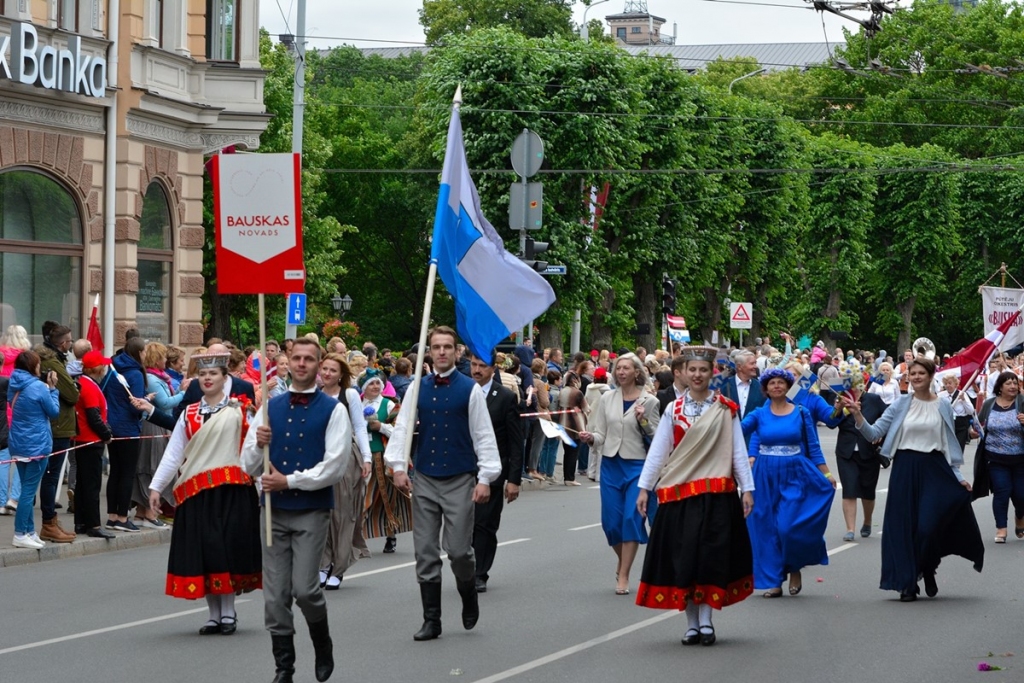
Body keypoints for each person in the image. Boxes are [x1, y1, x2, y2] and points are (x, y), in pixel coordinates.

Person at [241, 338, 352, 683]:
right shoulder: (269, 407)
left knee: (305, 589)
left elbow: (335, 466)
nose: (302, 363)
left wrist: (289, 481)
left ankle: (322, 643)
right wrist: (258, 445)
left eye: (309, 359)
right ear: (288, 362)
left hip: (311, 509)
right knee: (275, 597)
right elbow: (248, 464)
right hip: (272, 511)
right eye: (297, 358)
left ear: (319, 366)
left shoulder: (334, 410)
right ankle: (284, 668)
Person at [384, 326, 501, 641]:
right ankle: (431, 620)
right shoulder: (417, 387)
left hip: (460, 478)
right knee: (425, 551)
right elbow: (403, 426)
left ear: (456, 351)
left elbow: (483, 434)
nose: (441, 352)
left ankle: (468, 592)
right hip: (424, 478)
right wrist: (398, 466)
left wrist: (486, 477)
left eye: (447, 346)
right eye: (436, 347)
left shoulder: (469, 389)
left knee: (460, 551)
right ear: (429, 352)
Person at [635, 346, 754, 646]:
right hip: (680, 494)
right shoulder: (673, 410)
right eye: (693, 370)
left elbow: (737, 450)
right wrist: (644, 488)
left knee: (711, 558)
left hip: (717, 494)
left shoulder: (725, 409)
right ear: (683, 373)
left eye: (703, 370)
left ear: (712, 373)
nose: (698, 375)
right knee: (684, 558)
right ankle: (691, 624)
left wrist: (747, 488)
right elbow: (659, 451)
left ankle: (706, 620)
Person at [845, 357, 984, 602]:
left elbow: (948, 443)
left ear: (931, 377)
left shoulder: (943, 405)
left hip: (935, 468)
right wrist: (858, 416)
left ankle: (927, 566)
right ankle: (907, 583)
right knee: (903, 527)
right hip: (905, 468)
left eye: (921, 373)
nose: (916, 377)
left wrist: (958, 476)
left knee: (928, 526)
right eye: (913, 373)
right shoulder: (901, 404)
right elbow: (874, 433)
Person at [147, 352, 262, 634]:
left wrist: (262, 483)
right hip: (196, 492)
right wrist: (156, 487)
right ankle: (213, 615)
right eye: (202, 374)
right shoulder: (189, 414)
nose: (207, 378)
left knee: (227, 548)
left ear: (225, 378)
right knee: (205, 550)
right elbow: (174, 453)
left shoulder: (240, 410)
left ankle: (229, 612)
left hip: (232, 490)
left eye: (213, 374)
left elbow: (253, 451)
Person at [742, 368, 836, 598]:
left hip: (794, 474)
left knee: (788, 527)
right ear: (766, 389)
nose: (776, 386)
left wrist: (826, 474)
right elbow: (740, 431)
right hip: (764, 476)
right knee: (767, 529)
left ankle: (794, 567)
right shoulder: (759, 414)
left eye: (781, 382)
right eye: (772, 383)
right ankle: (774, 581)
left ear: (788, 387)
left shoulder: (801, 412)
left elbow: (813, 447)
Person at [578, 353, 661, 596]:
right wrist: (590, 438)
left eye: (626, 368)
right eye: (618, 368)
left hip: (638, 466)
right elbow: (600, 434)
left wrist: (643, 421)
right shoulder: (607, 398)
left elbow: (657, 437)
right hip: (611, 465)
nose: (621, 372)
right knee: (611, 524)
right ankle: (622, 560)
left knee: (631, 519)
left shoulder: (650, 400)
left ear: (637, 372)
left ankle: (623, 574)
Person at [468, 349, 523, 593]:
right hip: (463, 471)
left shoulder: (505, 397)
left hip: (493, 472)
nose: (477, 370)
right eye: (473, 364)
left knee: (484, 525)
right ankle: (466, 566)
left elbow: (515, 441)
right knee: (463, 525)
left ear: (493, 368)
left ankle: (479, 573)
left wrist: (514, 479)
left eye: (482, 365)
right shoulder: (463, 392)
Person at [317, 355, 373, 590]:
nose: (328, 373)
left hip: (345, 456)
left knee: (343, 512)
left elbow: (359, 426)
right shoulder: (315, 395)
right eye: (325, 369)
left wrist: (367, 457)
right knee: (322, 512)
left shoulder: (348, 395)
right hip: (319, 457)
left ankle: (339, 566)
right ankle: (323, 563)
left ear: (341, 375)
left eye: (333, 370)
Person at [822, 382, 887, 542]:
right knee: (849, 489)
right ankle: (850, 529)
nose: (852, 388)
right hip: (846, 452)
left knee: (868, 491)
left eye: (855, 384)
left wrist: (880, 434)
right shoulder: (840, 399)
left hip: (869, 451)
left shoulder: (873, 399)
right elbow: (830, 423)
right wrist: (838, 409)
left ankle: (867, 521)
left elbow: (888, 419)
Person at [8, 350, 60, 549]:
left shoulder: (14, 384)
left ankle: (29, 531)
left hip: (19, 442)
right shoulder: (38, 387)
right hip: (36, 445)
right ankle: (20, 533)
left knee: (26, 489)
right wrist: (53, 389)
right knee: (28, 493)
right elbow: (54, 412)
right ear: (33, 366)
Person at [36, 323, 79, 544]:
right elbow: (72, 394)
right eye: (69, 341)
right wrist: (74, 385)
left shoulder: (53, 360)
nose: (71, 345)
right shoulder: (52, 362)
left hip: (57, 425)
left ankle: (51, 521)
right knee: (51, 476)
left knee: (50, 476)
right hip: (58, 426)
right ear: (62, 343)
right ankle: (48, 524)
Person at [359, 367, 409, 556]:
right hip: (362, 458)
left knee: (387, 497)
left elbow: (400, 431)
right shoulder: (357, 405)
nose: (375, 386)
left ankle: (391, 535)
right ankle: (359, 540)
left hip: (383, 456)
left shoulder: (388, 404)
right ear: (364, 387)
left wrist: (381, 426)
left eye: (377, 383)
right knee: (362, 498)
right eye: (371, 383)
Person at [974, 371, 1024, 544]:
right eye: (1008, 383)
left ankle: (1020, 516)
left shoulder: (1022, 402)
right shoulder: (989, 404)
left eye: (1015, 383)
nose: (1013, 386)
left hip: (1020, 459)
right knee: (1002, 491)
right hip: (995, 458)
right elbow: (978, 424)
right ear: (1000, 387)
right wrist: (974, 432)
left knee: (1021, 495)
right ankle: (1001, 528)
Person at [72, 352, 116, 539]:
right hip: (91, 440)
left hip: (84, 439)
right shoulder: (89, 386)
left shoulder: (84, 383)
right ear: (96, 369)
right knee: (92, 485)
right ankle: (94, 524)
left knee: (83, 484)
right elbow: (94, 417)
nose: (105, 368)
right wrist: (106, 435)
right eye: (102, 366)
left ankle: (81, 522)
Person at [174, 342, 256, 421]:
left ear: (227, 361)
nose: (212, 361)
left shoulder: (245, 387)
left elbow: (250, 419)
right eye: (209, 358)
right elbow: (180, 416)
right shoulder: (195, 385)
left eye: (217, 358)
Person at [555, 370, 587, 485]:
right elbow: (586, 408)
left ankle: (566, 476)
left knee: (567, 451)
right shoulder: (577, 393)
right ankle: (570, 478)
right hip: (575, 424)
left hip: (563, 423)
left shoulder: (562, 391)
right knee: (574, 452)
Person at [720, 350, 766, 423]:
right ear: (739, 367)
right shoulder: (724, 386)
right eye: (752, 363)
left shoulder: (761, 387)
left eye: (755, 363)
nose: (756, 366)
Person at [938, 373, 976, 453]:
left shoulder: (962, 394)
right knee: (947, 448)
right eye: (946, 383)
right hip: (947, 423)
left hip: (960, 424)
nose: (948, 385)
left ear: (955, 384)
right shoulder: (940, 395)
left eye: (950, 383)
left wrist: (964, 400)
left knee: (958, 448)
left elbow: (970, 411)